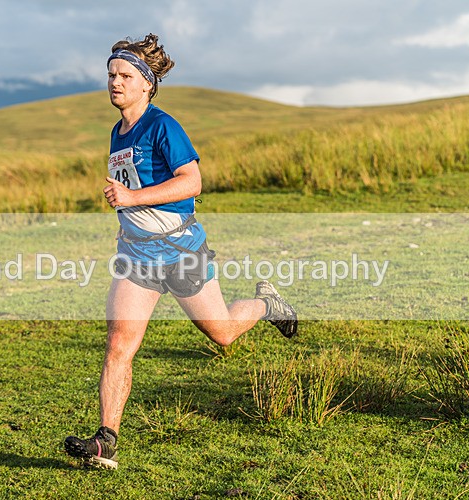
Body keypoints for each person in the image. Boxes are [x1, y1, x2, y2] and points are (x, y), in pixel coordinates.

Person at [64, 34, 297, 469]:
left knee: (222, 332)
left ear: (147, 83)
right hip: (137, 257)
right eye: (111, 75)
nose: (115, 82)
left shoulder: (163, 126)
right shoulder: (118, 131)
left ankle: (267, 304)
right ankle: (106, 441)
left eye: (125, 75)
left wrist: (132, 199)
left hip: (180, 252)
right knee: (119, 344)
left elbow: (192, 182)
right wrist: (128, 210)